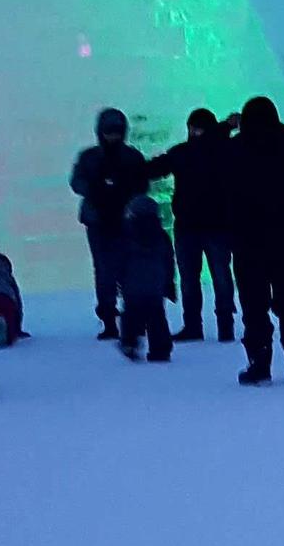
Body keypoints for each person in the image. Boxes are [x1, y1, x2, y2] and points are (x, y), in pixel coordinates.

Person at [222, 95, 284, 385]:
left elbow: (211, 154)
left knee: (253, 304)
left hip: (246, 239)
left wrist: (229, 127)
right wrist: (275, 129)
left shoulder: (235, 149)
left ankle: (259, 365)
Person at [68, 110, 160, 343]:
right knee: (104, 271)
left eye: (116, 133)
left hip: (126, 222)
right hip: (98, 222)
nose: (112, 137)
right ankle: (109, 319)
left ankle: (133, 319)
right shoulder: (90, 157)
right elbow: (76, 181)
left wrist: (124, 193)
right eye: (109, 133)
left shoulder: (132, 157)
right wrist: (96, 190)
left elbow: (143, 186)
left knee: (130, 271)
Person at [155, 107, 239, 344]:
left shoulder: (186, 152)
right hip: (213, 226)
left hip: (194, 226)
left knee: (194, 279)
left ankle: (195, 326)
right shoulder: (227, 151)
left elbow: (157, 167)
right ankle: (223, 326)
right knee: (219, 278)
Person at [110, 190, 176, 362]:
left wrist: (118, 280)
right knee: (157, 317)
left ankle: (129, 343)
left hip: (132, 286)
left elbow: (119, 260)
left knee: (131, 315)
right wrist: (169, 282)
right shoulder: (161, 236)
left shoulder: (126, 235)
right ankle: (161, 349)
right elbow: (169, 260)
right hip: (156, 286)